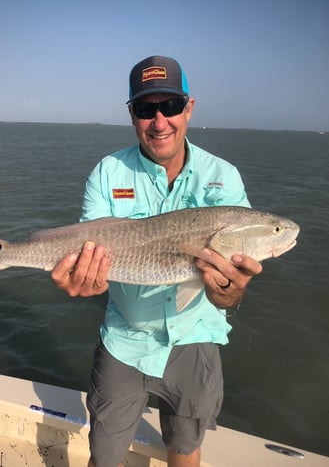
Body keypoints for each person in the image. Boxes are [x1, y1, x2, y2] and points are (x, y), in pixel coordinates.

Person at [51, 55, 263, 467]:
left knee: (185, 448)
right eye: (146, 109)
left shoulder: (224, 176)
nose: (160, 121)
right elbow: (88, 258)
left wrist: (230, 291)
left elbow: (227, 294)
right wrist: (83, 281)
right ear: (132, 114)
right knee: (104, 454)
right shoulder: (106, 173)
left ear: (189, 107)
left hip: (196, 336)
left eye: (170, 106)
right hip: (123, 341)